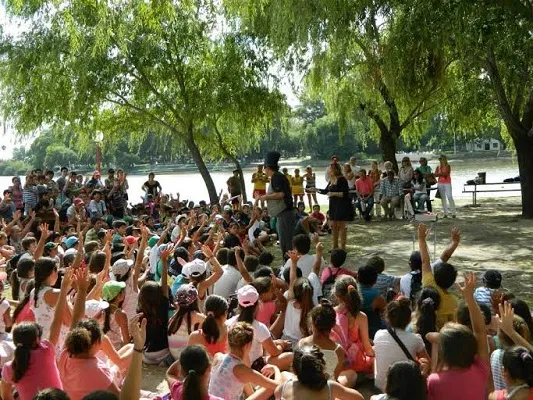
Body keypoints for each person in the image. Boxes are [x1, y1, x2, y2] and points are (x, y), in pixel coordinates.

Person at [426, 272, 490, 400]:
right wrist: (469, 297)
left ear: (443, 352)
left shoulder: (434, 380)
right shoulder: (480, 369)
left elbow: (429, 336)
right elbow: (480, 332)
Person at [209, 322, 281, 400]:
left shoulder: (218, 357)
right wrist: (275, 369)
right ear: (248, 345)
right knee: (280, 379)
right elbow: (278, 385)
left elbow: (248, 389)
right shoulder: (241, 369)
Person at [373, 298, 429, 392]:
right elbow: (427, 361)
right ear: (410, 319)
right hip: (406, 389)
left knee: (375, 357)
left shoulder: (378, 334)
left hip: (381, 386)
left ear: (387, 317)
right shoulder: (415, 339)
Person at [298, 300, 355, 387]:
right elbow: (335, 378)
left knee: (284, 374)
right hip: (327, 390)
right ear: (333, 324)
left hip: (305, 388)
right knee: (352, 374)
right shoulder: (338, 350)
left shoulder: (302, 343)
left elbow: (298, 373)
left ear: (312, 322)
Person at [274, 345, 364, 400]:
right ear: (321, 366)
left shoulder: (282, 389)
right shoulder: (330, 388)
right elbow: (358, 397)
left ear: (294, 370)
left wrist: (275, 370)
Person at [419, 224, 459, 329]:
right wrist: (455, 243)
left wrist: (421, 238)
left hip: (420, 328)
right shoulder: (453, 302)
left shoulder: (429, 283)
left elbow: (425, 261)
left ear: (435, 275)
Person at [332, 276, 374, 373]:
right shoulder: (361, 317)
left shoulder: (330, 313)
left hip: (336, 361)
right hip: (354, 363)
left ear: (336, 295)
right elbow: (367, 348)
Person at [257, 151, 294, 261]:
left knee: (286, 241)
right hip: (282, 213)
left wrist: (265, 197)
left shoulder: (276, 177)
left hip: (285, 213)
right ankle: (287, 263)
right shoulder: (277, 177)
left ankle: (288, 264)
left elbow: (281, 194)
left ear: (268, 167)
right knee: (283, 240)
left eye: (265, 168)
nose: (264, 171)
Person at [168, 284, 205, 361]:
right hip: (185, 359)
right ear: (195, 300)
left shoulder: (174, 317)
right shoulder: (195, 315)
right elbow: (211, 323)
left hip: (175, 356)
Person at [322, 162, 352, 250]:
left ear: (336, 169)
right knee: (333, 226)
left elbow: (345, 194)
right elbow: (325, 191)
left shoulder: (342, 179)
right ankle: (335, 246)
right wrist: (315, 189)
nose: (329, 170)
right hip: (333, 205)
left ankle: (342, 248)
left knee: (341, 226)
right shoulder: (331, 180)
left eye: (331, 169)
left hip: (341, 205)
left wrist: (333, 193)